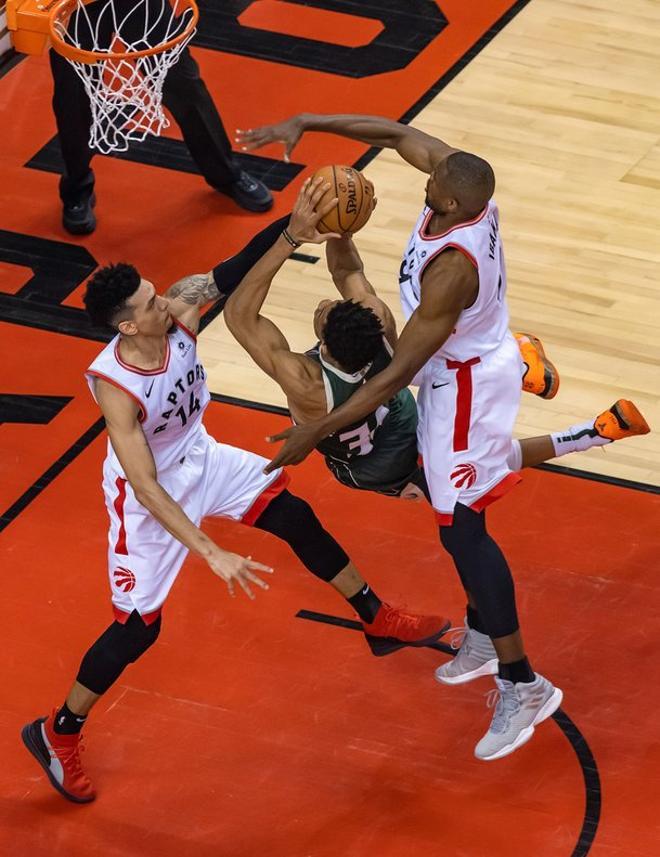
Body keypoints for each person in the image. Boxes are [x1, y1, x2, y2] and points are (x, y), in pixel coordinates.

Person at [20, 179, 450, 804]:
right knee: (138, 628)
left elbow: (230, 273)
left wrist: (292, 234)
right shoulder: (116, 385)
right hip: (152, 494)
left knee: (291, 513)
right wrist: (210, 551)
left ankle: (377, 618)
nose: (162, 300)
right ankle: (60, 731)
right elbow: (143, 485)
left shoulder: (181, 310)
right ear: (125, 325)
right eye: (148, 302)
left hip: (201, 456)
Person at [237, 113, 652, 761]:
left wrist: (314, 428)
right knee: (457, 511)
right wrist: (307, 121)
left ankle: (524, 683)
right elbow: (399, 134)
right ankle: (488, 638)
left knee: (462, 526)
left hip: (463, 388)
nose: (425, 181)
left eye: (434, 185)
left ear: (454, 201)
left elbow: (396, 372)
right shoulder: (455, 187)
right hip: (442, 379)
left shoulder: (450, 273)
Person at [223, 223, 649, 502]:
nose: (324, 303)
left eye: (324, 311)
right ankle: (514, 365)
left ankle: (591, 430)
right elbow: (347, 271)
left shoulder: (306, 381)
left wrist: (292, 238)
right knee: (438, 372)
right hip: (405, 406)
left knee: (485, 469)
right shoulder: (378, 320)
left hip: (376, 466)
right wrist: (340, 231)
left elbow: (240, 314)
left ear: (323, 342)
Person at [50, 0, 273, 235]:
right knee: (73, 96)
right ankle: (77, 187)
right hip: (73, 6)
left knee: (182, 82)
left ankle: (226, 174)